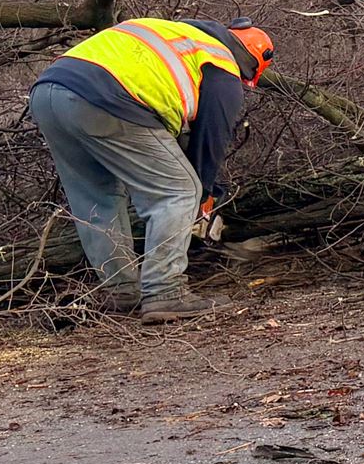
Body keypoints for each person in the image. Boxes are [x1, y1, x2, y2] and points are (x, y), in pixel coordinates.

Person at [27, 16, 274, 322]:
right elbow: (211, 140)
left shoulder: (176, 34)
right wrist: (204, 195)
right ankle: (165, 292)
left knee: (95, 200)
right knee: (178, 191)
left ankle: (121, 293)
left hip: (47, 92)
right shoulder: (222, 63)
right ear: (252, 64)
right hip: (106, 96)